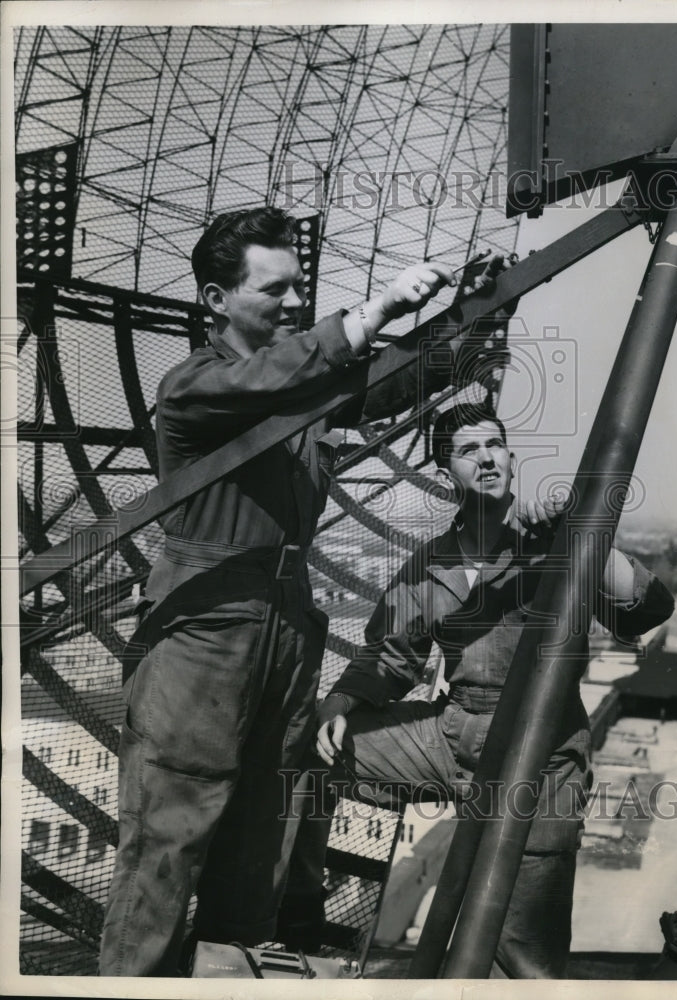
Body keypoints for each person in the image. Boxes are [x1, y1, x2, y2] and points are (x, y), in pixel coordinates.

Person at [98, 207, 505, 977]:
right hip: (204, 628)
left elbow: (386, 384)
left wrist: (477, 317)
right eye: (273, 290)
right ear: (216, 300)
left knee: (261, 833)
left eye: (297, 290)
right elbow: (277, 375)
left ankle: (225, 974)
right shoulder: (195, 386)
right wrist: (373, 311)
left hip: (284, 622)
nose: (291, 304)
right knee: (170, 835)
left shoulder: (296, 385)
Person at [312, 403, 675, 977]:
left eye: (495, 445)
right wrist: (338, 705)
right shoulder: (434, 560)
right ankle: (302, 931)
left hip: (543, 750)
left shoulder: (557, 539)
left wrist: (576, 533)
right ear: (444, 473)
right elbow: (391, 653)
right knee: (303, 752)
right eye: (468, 451)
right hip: (451, 733)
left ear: (511, 456)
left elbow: (646, 609)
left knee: (524, 956)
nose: (486, 458)